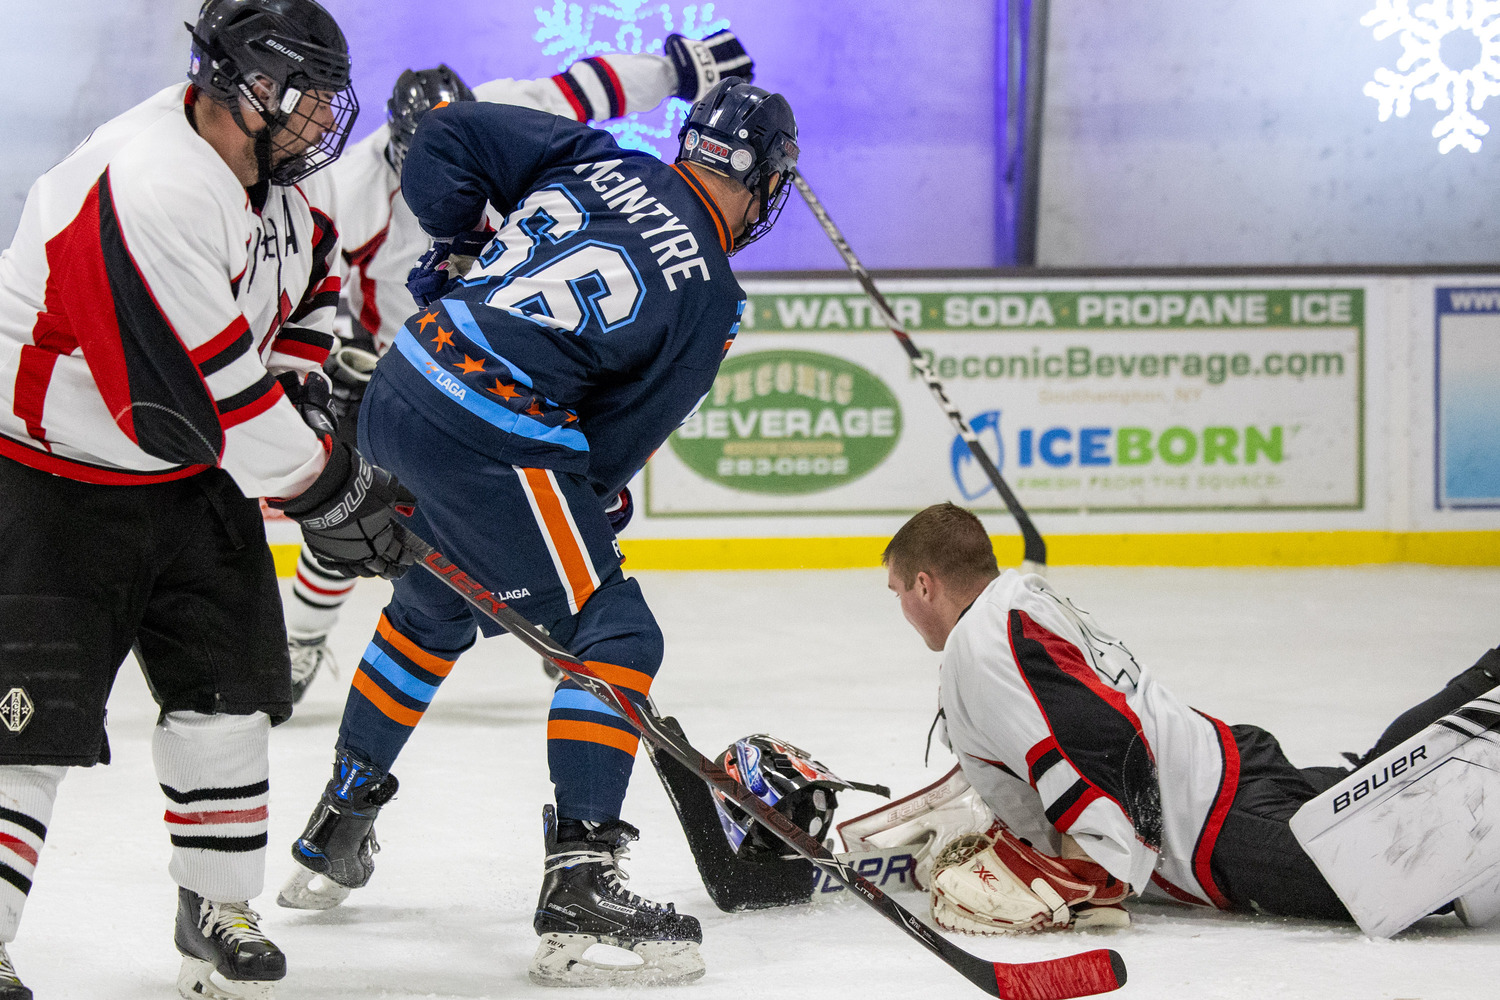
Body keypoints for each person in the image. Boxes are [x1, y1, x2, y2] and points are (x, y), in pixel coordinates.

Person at [278, 78, 799, 986]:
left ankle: (339, 825)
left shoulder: (605, 159)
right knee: (616, 630)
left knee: (432, 606)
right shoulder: (713, 294)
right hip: (494, 434)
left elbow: (444, 136)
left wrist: (455, 241)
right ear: (759, 180)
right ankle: (583, 881)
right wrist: (587, 504)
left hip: (402, 383)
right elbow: (621, 437)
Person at [0, 2, 416, 997]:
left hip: (188, 480)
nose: (322, 121)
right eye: (303, 97)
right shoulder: (154, 183)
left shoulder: (270, 184)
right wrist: (324, 485)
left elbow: (314, 283)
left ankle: (215, 908)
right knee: (26, 730)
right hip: (53, 486)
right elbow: (219, 391)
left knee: (227, 702)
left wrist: (309, 378)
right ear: (241, 86)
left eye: (327, 99)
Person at [283, 32, 756, 701]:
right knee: (358, 511)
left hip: (508, 359)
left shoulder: (501, 108)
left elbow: (590, 87)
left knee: (587, 495)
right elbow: (305, 286)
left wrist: (682, 69)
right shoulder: (344, 189)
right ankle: (302, 639)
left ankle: (563, 606)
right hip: (400, 360)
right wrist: (334, 353)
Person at [874, 502, 1500, 934]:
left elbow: (1099, 737)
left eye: (898, 592)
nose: (901, 607)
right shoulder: (1021, 598)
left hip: (1215, 825)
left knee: (1401, 874)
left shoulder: (978, 646)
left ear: (925, 585)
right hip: (1224, 761)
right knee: (1375, 781)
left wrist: (1090, 870)